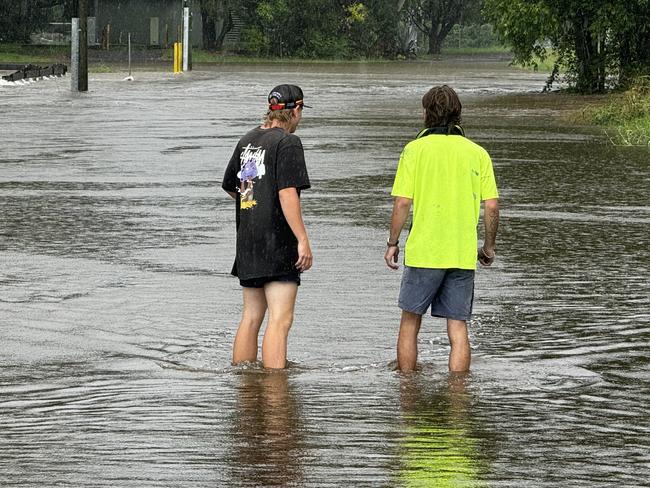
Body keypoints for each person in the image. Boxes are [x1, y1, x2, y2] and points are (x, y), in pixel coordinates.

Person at [384, 85, 500, 373]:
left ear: (426, 114)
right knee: (458, 328)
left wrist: (392, 242)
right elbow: (492, 207)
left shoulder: (414, 150)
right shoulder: (477, 153)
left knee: (410, 322)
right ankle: (459, 395)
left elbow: (402, 203)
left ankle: (407, 390)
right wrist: (488, 247)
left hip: (424, 252)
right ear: (458, 115)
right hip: (461, 253)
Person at [222, 84, 312, 369]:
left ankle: (245, 385)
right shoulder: (287, 143)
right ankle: (275, 392)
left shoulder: (248, 140)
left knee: (250, 317)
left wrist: (257, 201)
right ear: (295, 110)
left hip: (248, 240)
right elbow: (288, 193)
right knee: (280, 319)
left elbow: (235, 189)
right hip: (277, 241)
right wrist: (302, 239)